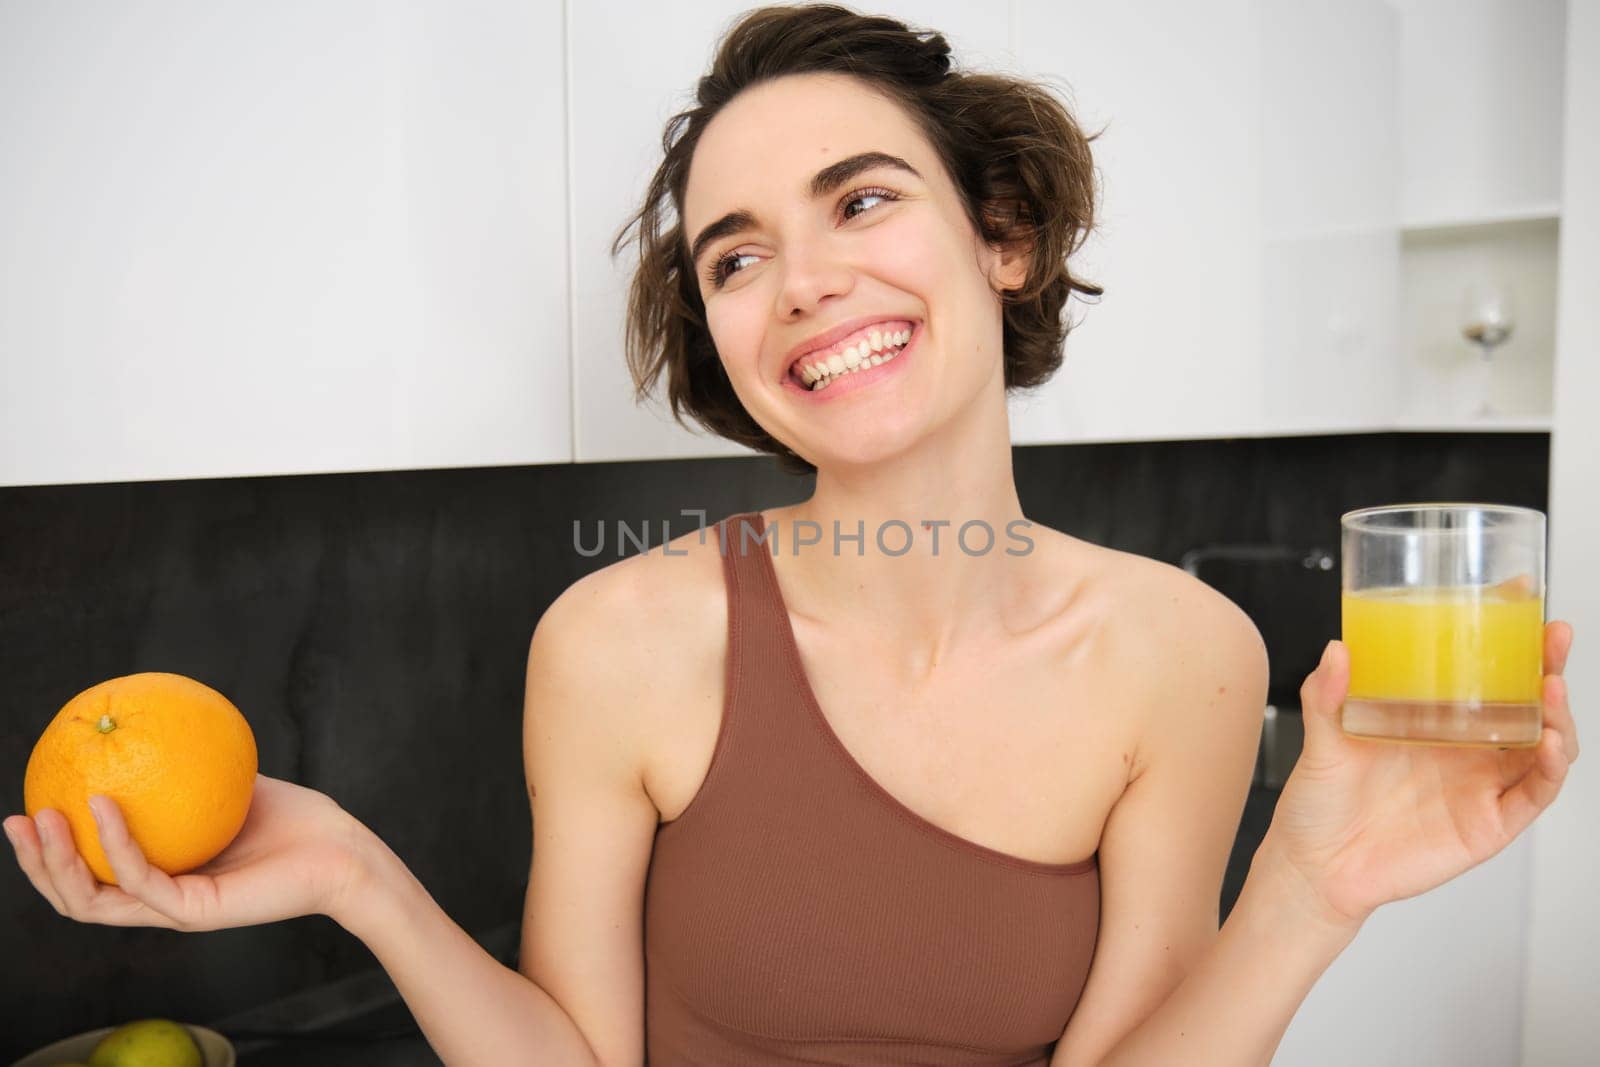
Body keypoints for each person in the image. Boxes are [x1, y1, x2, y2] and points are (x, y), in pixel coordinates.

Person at [3, 4, 1580, 1065]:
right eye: (736, 256)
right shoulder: (622, 642)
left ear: (1005, 240)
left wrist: (1310, 887)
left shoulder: (1186, 651)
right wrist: (358, 874)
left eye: (864, 200)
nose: (805, 279)